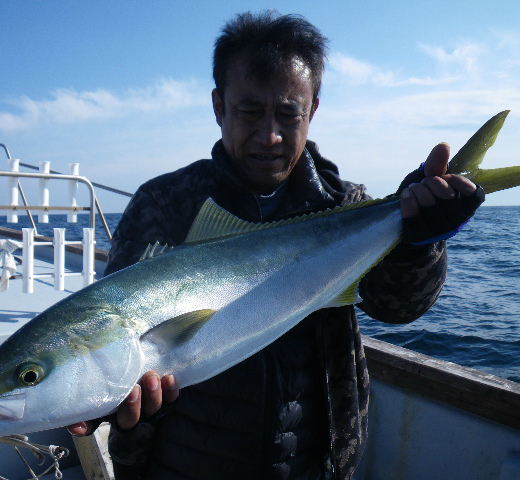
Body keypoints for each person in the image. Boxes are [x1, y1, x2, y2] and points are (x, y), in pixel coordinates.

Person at [69, 11, 484, 480]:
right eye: (249, 111)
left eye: (289, 114)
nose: (269, 136)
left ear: (313, 111)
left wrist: (415, 242)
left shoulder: (345, 204)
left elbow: (397, 307)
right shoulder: (165, 204)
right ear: (218, 106)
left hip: (316, 466)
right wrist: (106, 402)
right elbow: (116, 339)